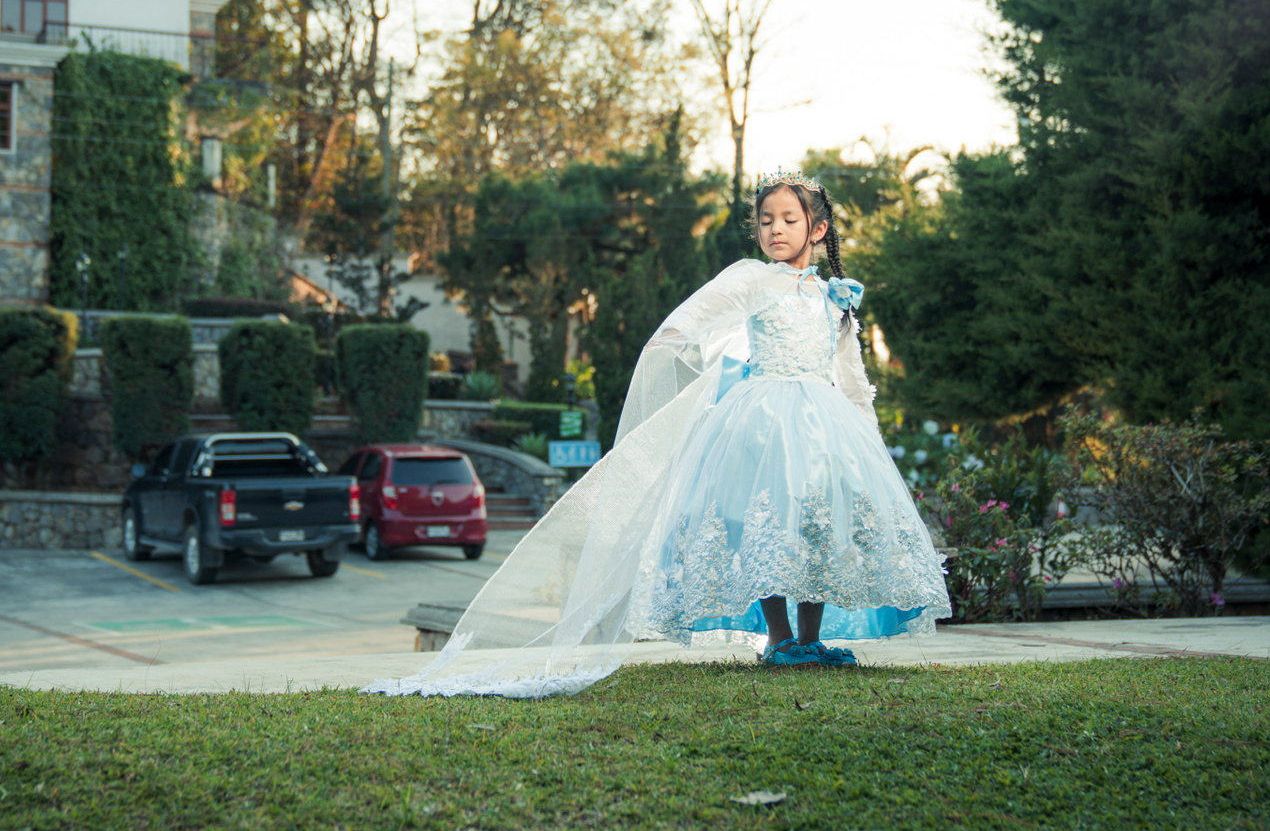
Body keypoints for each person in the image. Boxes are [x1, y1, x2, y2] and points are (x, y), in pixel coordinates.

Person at [366, 170, 950, 698]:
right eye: (766, 220)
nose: (775, 229)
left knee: (814, 521)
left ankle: (810, 637)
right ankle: (778, 637)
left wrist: (866, 436)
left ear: (817, 230)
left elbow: (852, 378)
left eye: (789, 220)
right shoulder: (751, 279)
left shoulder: (835, 298)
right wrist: (708, 377)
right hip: (762, 418)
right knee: (763, 521)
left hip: (823, 424)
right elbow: (684, 326)